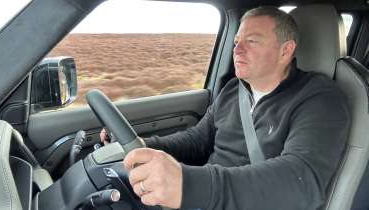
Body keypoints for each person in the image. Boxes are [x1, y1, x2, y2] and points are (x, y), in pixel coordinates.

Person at [100, 6, 350, 210]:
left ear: (285, 51)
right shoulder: (234, 89)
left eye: (251, 41)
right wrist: (144, 147)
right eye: (237, 41)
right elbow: (196, 141)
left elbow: (300, 180)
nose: (237, 49)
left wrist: (189, 185)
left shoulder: (320, 99)